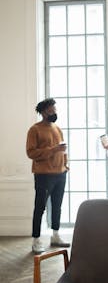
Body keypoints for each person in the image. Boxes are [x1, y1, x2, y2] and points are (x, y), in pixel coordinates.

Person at [26, 98, 70, 254]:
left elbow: (62, 149)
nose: (54, 112)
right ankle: (36, 239)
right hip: (43, 175)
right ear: (43, 112)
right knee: (40, 207)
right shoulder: (34, 130)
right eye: (51, 110)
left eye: (55, 110)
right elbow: (31, 153)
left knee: (57, 206)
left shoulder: (57, 128)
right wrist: (53, 150)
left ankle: (55, 235)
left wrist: (66, 164)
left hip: (61, 174)